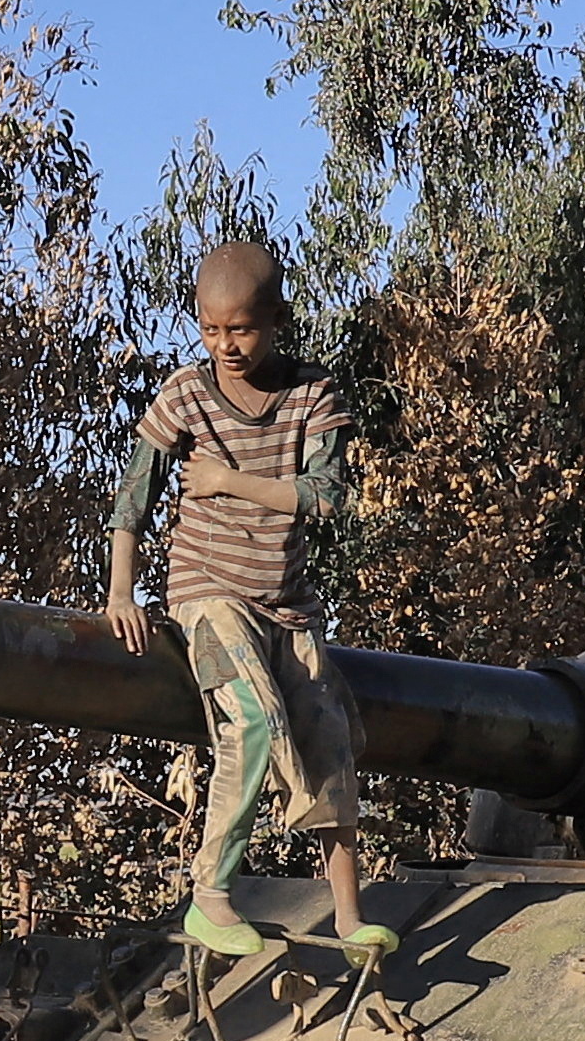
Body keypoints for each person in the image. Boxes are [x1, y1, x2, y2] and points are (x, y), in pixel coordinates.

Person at [99, 237, 390, 964]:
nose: (226, 344)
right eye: (210, 328)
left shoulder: (311, 396)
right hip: (208, 590)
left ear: (277, 320)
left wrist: (229, 481)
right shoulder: (186, 394)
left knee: (327, 744)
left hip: (285, 601)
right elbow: (133, 495)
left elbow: (326, 498)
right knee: (254, 721)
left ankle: (349, 917)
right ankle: (210, 895)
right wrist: (120, 591)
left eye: (242, 328)